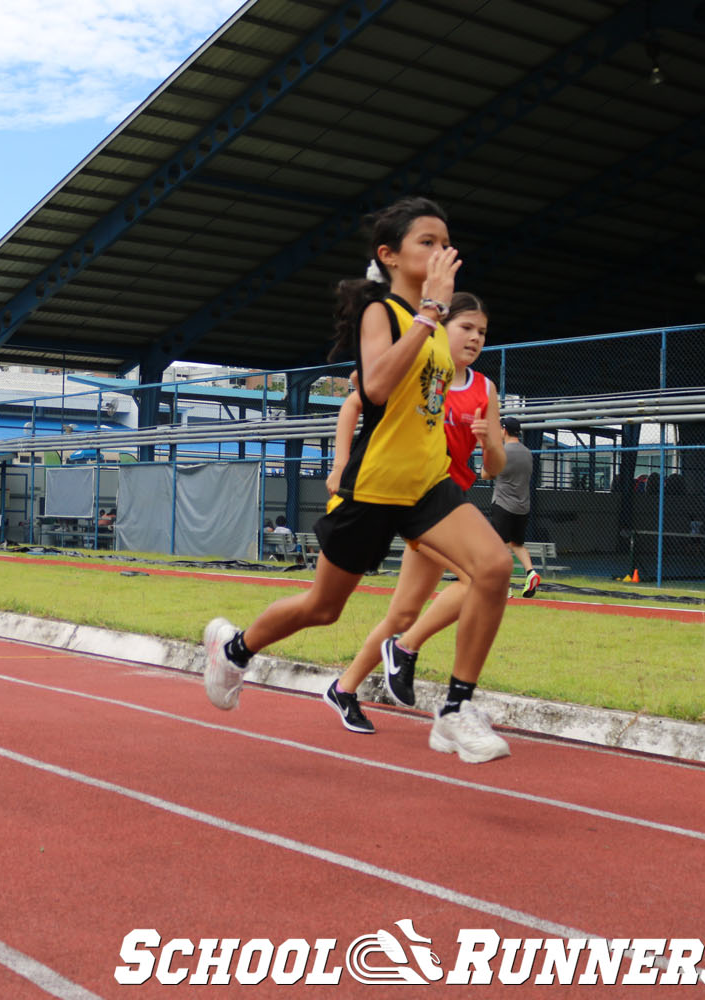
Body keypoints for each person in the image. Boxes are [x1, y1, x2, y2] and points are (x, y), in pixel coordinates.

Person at [202, 196, 513, 764]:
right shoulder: (385, 313)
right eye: (428, 241)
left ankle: (455, 711)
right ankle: (236, 648)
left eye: (447, 242)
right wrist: (428, 316)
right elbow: (374, 390)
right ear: (389, 255)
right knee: (323, 607)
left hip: (426, 484)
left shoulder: (440, 327)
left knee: (493, 568)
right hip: (373, 488)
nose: (442, 251)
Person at [327, 292, 506, 734]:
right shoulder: (420, 366)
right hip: (414, 500)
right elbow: (353, 403)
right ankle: (404, 650)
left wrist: (489, 440)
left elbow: (493, 469)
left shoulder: (485, 389)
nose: (476, 338)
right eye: (467, 328)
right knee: (479, 579)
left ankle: (345, 687)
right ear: (443, 327)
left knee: (403, 611)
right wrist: (339, 465)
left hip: (450, 508)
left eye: (482, 332)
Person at [488, 416, 540, 598]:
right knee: (517, 544)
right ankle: (530, 572)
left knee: (500, 548)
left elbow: (487, 474)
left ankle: (505, 587)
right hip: (522, 506)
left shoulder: (503, 451)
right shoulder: (527, 453)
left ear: (504, 430)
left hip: (503, 504)